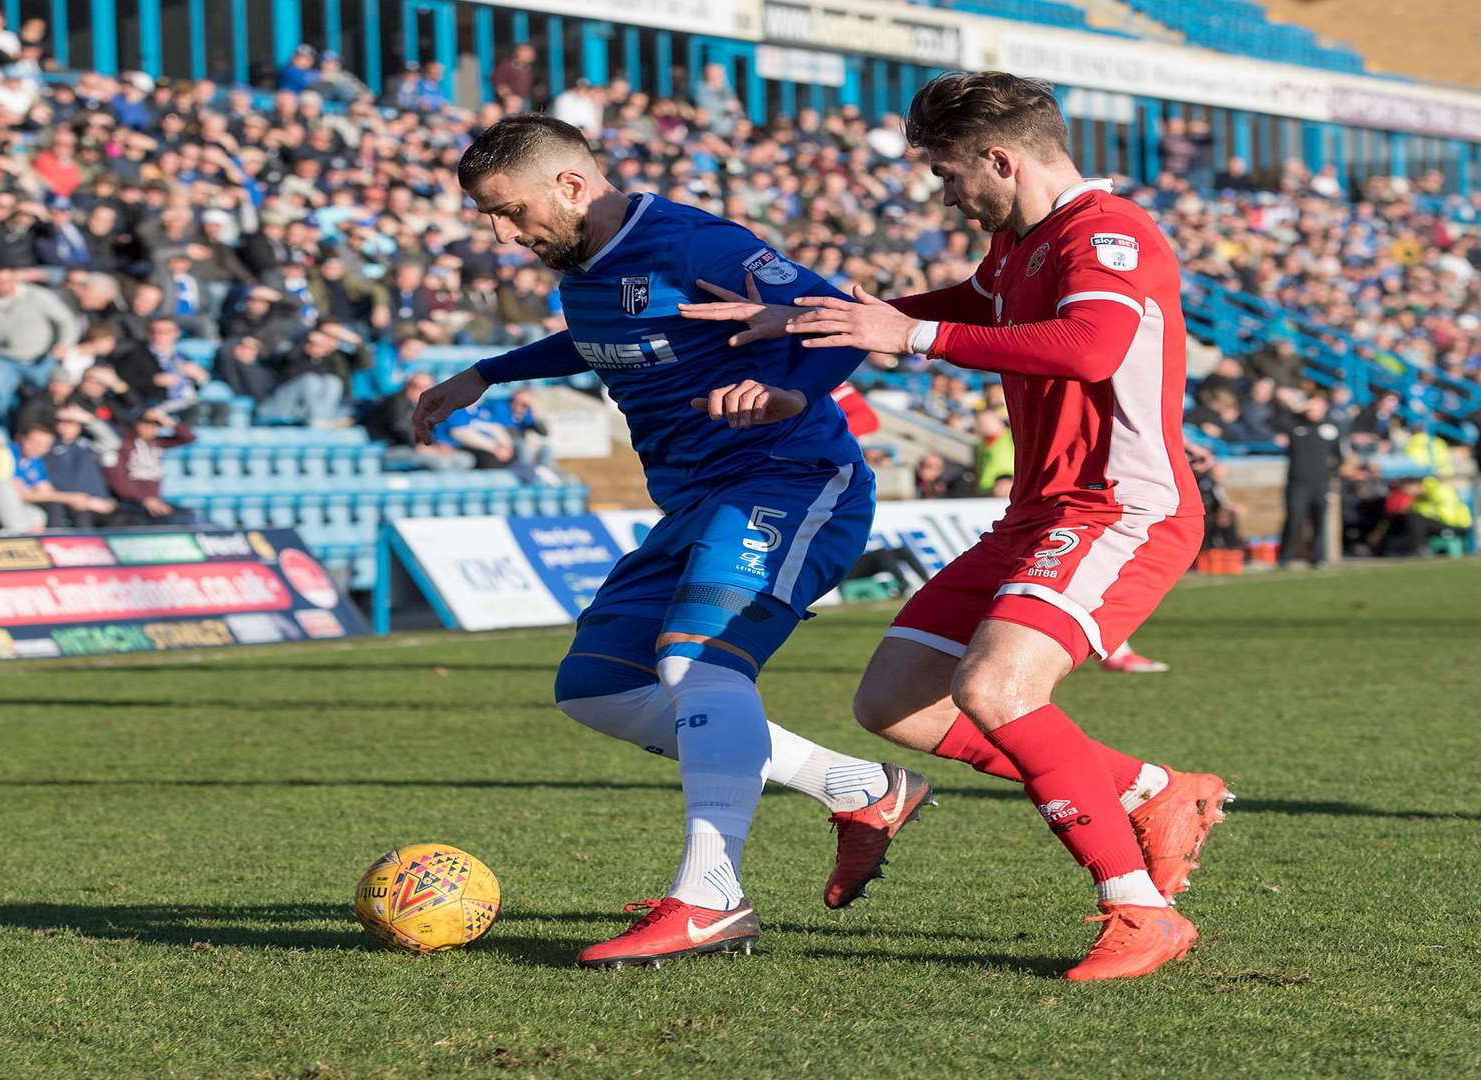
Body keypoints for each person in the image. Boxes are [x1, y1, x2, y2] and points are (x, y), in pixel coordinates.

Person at [682, 73, 1227, 981]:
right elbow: (966, 309)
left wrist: (904, 337)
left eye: (946, 173)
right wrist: (824, 323)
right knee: (893, 701)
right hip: (1040, 511)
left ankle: (1140, 910)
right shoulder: (1019, 244)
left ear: (1000, 159)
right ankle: (1152, 791)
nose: (944, 194)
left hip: (1120, 506)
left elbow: (1090, 346)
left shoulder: (1107, 234)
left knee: (999, 690)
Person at [413, 114, 909, 970]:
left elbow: (836, 316)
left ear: (571, 185)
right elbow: (605, 335)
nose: (501, 234)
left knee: (697, 668)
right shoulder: (580, 268)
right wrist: (486, 373)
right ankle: (858, 788)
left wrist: (787, 393)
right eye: (488, 217)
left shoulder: (693, 243)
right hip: (692, 504)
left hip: (788, 479)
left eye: (508, 211)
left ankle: (710, 899)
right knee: (597, 689)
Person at [0, 267, 81, 424]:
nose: (1, 286)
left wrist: (64, 344)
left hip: (41, 359)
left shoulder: (37, 296)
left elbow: (67, 321)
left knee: (55, 397)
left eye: (5, 281)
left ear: (15, 280)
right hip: (3, 359)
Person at [1281, 394, 1346, 567]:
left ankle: (1318, 557)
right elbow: (1278, 423)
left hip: (1320, 482)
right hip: (1297, 482)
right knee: (1295, 518)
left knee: (1320, 520)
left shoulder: (1330, 430)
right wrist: (1297, 410)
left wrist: (1331, 472)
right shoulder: (1295, 425)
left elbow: (1338, 457)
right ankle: (1286, 557)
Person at [103, 405, 194, 523]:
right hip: (128, 503)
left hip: (153, 501)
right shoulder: (121, 445)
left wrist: (165, 419)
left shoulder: (157, 443)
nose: (150, 428)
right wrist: (143, 499)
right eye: (145, 424)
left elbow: (188, 437)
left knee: (186, 516)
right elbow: (118, 480)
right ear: (135, 424)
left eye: (155, 425)